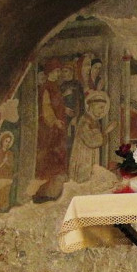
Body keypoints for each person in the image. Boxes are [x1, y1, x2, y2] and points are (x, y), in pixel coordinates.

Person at [35, 58, 69, 200]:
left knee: (58, 155)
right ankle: (46, 191)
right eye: (56, 71)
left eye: (59, 71)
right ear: (49, 72)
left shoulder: (55, 86)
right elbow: (46, 107)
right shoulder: (46, 87)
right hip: (49, 130)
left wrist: (64, 110)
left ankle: (55, 190)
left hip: (58, 127)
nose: (58, 73)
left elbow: (57, 105)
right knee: (50, 156)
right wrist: (54, 121)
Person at [68, 91, 117, 183]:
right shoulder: (85, 121)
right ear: (92, 106)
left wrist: (104, 132)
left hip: (90, 157)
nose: (102, 111)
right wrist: (106, 131)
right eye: (100, 107)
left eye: (104, 108)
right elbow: (92, 142)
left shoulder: (94, 121)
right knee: (83, 182)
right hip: (83, 159)